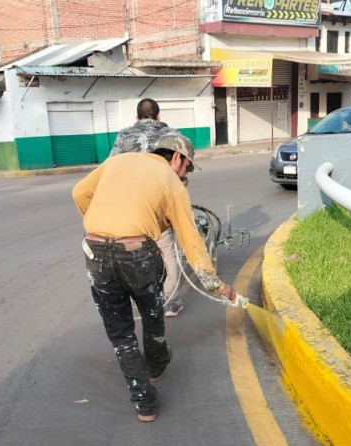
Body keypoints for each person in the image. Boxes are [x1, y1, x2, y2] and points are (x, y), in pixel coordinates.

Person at [72, 132, 236, 423]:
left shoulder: (118, 161)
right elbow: (191, 242)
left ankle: (143, 402)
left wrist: (100, 227)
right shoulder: (172, 183)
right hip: (137, 252)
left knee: (120, 333)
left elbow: (79, 194)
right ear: (176, 157)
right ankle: (156, 366)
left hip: (94, 250)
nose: (186, 175)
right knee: (151, 312)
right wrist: (217, 286)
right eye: (187, 167)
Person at [109, 98, 185, 318]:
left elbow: (112, 166)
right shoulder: (173, 134)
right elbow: (182, 169)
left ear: (137, 117)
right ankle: (170, 303)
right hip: (161, 205)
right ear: (158, 116)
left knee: (135, 251)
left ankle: (141, 300)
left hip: (130, 207)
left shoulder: (124, 136)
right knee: (168, 251)